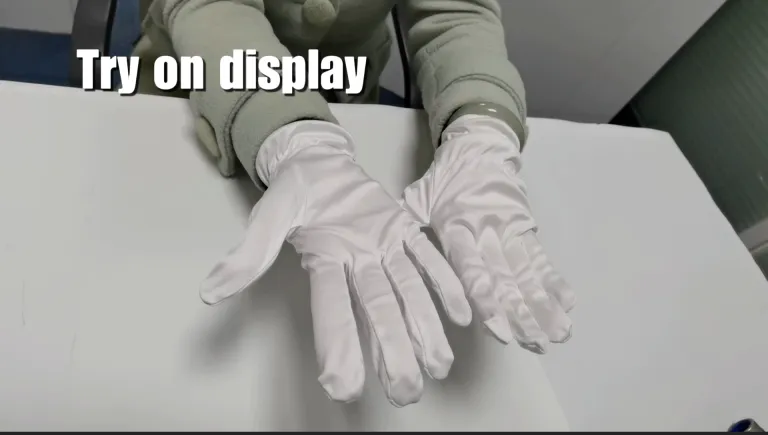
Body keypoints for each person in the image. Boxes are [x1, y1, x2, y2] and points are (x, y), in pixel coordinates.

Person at [132, 0, 575, 408]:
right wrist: (289, 132)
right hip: (199, 87)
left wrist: (482, 126)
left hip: (348, 95)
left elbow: (457, 12)